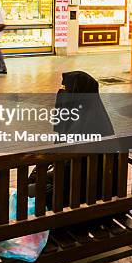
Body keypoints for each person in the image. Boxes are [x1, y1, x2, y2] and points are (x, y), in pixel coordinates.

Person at [28, 71, 115, 209]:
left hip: (80, 198)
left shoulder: (84, 126)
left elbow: (68, 171)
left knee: (29, 190)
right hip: (98, 194)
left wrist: (39, 176)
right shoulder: (97, 118)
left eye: (65, 89)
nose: (61, 93)